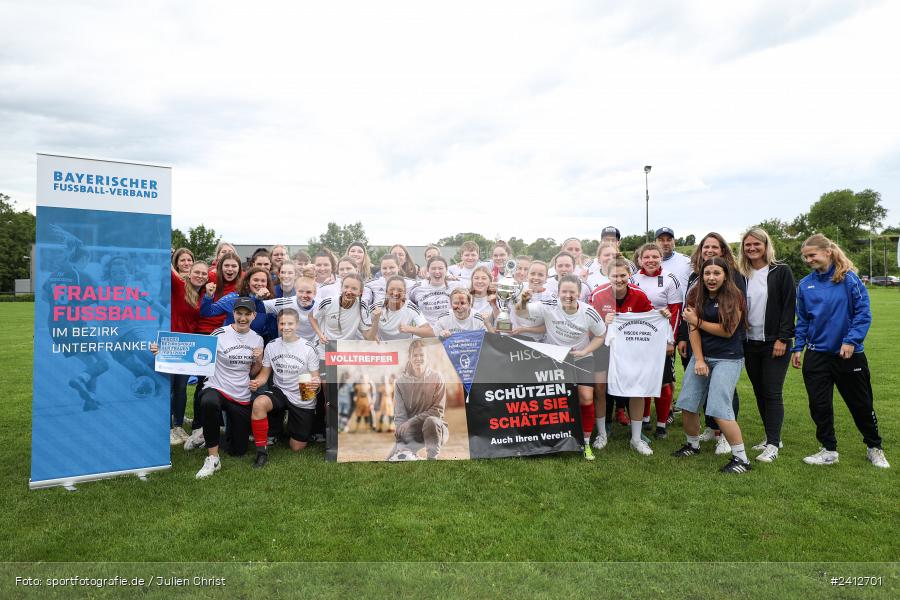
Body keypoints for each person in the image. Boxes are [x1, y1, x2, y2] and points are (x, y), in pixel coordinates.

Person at [791, 234, 889, 468]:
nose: (808, 260)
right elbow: (803, 319)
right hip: (816, 356)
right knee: (819, 405)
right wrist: (798, 347)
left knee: (861, 404)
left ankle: (874, 447)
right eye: (805, 257)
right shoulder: (805, 284)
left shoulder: (849, 280)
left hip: (848, 355)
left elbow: (863, 313)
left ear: (827, 252)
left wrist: (851, 341)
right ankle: (828, 450)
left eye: (812, 255)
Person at [673, 257, 752, 474]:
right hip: (703, 355)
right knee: (687, 402)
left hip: (728, 357)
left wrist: (697, 321)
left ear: (725, 275)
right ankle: (692, 444)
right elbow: (692, 330)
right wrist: (698, 359)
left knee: (718, 406)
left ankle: (741, 459)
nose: (711, 278)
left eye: (716, 273)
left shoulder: (734, 296)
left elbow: (728, 331)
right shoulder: (695, 294)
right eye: (707, 273)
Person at [522, 275, 606, 460]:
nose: (568, 295)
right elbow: (522, 313)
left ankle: (585, 443)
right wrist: (523, 300)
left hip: (582, 358)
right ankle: (551, 442)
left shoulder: (589, 312)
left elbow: (601, 335)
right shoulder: (549, 305)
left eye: (572, 292)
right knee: (553, 401)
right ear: (558, 292)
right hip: (555, 359)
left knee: (585, 398)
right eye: (564, 292)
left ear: (579, 293)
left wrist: (586, 351)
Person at [185, 297, 264, 479]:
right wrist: (163, 352)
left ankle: (206, 434)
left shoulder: (257, 339)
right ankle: (213, 458)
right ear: (233, 314)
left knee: (238, 450)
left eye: (247, 314)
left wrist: (258, 360)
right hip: (217, 387)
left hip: (241, 394)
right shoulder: (219, 333)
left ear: (253, 315)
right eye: (239, 313)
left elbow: (253, 371)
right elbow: (194, 354)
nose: (242, 318)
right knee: (209, 402)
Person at [737, 227, 795, 462]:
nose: (752, 248)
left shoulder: (781, 271)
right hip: (750, 343)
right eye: (747, 245)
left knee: (772, 392)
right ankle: (771, 436)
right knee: (760, 391)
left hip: (774, 342)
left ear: (765, 246)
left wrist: (783, 338)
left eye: (756, 244)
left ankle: (773, 444)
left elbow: (789, 306)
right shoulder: (741, 273)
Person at [590, 257, 657, 454]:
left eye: (623, 275)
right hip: (603, 347)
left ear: (629, 275)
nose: (619, 279)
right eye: (614, 275)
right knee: (600, 389)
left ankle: (636, 438)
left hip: (631, 349)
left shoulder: (639, 295)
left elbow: (650, 319)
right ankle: (602, 433)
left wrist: (663, 315)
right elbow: (590, 325)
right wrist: (604, 321)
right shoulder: (598, 295)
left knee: (636, 390)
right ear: (607, 275)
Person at [248, 309, 321, 466]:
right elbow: (264, 374)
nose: (285, 327)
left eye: (290, 323)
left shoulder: (308, 348)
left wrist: (315, 382)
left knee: (297, 447)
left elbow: (315, 376)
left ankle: (288, 426)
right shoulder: (272, 345)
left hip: (303, 392)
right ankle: (261, 452)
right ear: (277, 324)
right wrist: (257, 382)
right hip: (280, 390)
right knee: (259, 403)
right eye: (282, 323)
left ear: (297, 325)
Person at [630, 242, 681, 439]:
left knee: (663, 382)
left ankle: (661, 424)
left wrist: (671, 340)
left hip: (662, 338)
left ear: (661, 257)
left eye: (654, 256)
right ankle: (644, 420)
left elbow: (676, 311)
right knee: (642, 379)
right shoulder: (633, 279)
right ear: (640, 259)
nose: (650, 260)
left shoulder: (669, 279)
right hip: (640, 339)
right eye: (646, 257)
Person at [168, 257, 208, 444]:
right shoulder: (179, 286)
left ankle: (178, 426)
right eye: (197, 272)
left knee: (182, 387)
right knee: (169, 387)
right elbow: (167, 267)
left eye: (203, 273)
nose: (200, 276)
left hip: (188, 344)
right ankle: (168, 427)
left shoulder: (203, 294)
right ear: (189, 273)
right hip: (171, 341)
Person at [388, 339, 448, 460]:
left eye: (422, 355)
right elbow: (400, 417)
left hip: (435, 431)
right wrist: (401, 441)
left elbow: (437, 411)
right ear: (409, 358)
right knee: (390, 460)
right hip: (412, 433)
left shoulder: (437, 377)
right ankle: (411, 453)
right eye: (415, 355)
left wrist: (411, 421)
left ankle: (432, 459)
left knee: (431, 421)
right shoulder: (400, 382)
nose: (418, 358)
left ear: (427, 357)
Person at [365, 276, 434, 341]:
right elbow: (368, 338)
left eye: (400, 290)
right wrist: (376, 320)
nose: (395, 293)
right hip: (384, 347)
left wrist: (411, 329)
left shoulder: (411, 307)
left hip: (405, 347)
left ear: (404, 293)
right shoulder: (377, 307)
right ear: (386, 292)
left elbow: (430, 333)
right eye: (391, 289)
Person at [309, 273, 371, 344]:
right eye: (346, 287)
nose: (349, 291)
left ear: (360, 292)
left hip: (344, 349)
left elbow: (367, 334)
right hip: (325, 346)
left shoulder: (362, 307)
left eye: (354, 288)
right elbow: (311, 316)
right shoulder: (329, 302)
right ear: (341, 288)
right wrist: (320, 335)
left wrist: (376, 319)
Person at [408, 255, 453, 326]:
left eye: (440, 268)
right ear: (428, 270)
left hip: (448, 332)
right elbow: (409, 307)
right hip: (425, 333)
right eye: (433, 268)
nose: (437, 271)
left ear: (446, 269)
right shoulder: (417, 288)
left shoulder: (455, 287)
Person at [655, 227, 692, 291]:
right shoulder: (649, 264)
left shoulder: (687, 261)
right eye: (661, 240)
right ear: (655, 242)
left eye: (669, 240)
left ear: (674, 242)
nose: (665, 243)